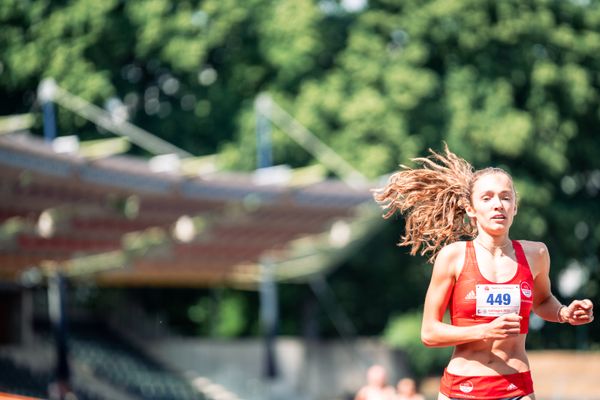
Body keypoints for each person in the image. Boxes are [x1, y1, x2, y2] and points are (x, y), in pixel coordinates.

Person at [373, 145, 594, 400]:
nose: (498, 205)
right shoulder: (453, 257)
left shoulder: (536, 255)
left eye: (505, 197)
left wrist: (564, 313)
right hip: (462, 388)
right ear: (470, 208)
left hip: (517, 387)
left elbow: (542, 302)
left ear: (515, 206)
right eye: (487, 198)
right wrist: (484, 331)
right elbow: (429, 333)